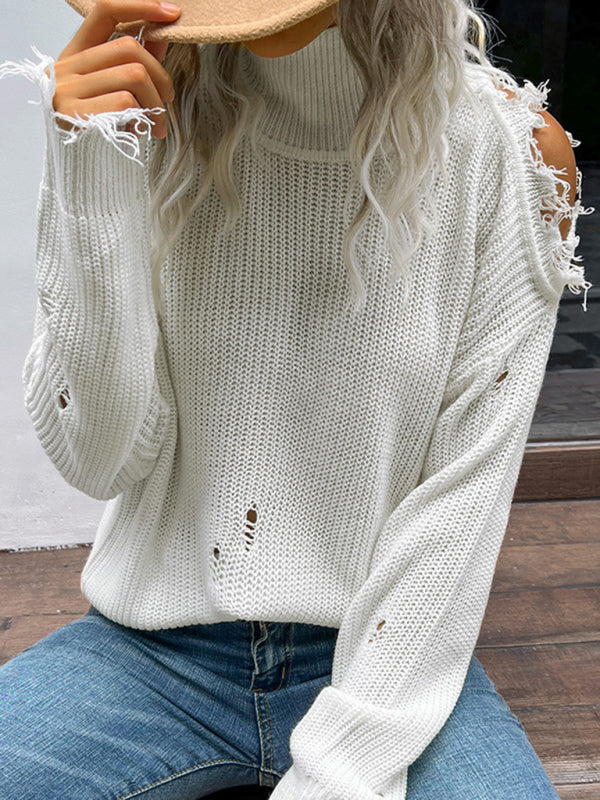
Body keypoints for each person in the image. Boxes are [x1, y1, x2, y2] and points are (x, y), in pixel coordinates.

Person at [0, 0, 593, 798]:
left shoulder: (510, 154)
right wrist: (93, 168)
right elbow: (98, 457)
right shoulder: (132, 107)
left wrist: (337, 775)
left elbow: (461, 503)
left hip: (382, 652)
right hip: (154, 650)